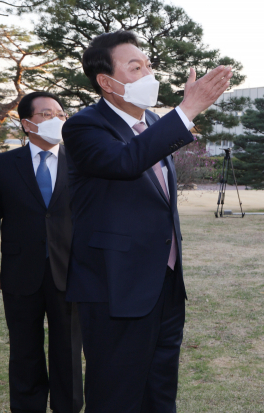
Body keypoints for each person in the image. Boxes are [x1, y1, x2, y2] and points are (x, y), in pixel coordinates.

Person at [62, 30, 232, 413]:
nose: (149, 74)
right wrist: (187, 109)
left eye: (149, 65)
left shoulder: (154, 121)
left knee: (160, 392)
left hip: (164, 284)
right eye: (135, 67)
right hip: (114, 285)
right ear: (106, 82)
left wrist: (178, 116)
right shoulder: (84, 126)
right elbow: (126, 162)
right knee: (116, 395)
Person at [0, 91, 83, 413]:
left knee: (68, 347)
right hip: (20, 271)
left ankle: (68, 407)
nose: (57, 120)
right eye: (47, 114)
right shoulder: (3, 164)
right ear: (27, 124)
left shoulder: (80, 162)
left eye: (60, 114)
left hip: (70, 270)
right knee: (24, 349)